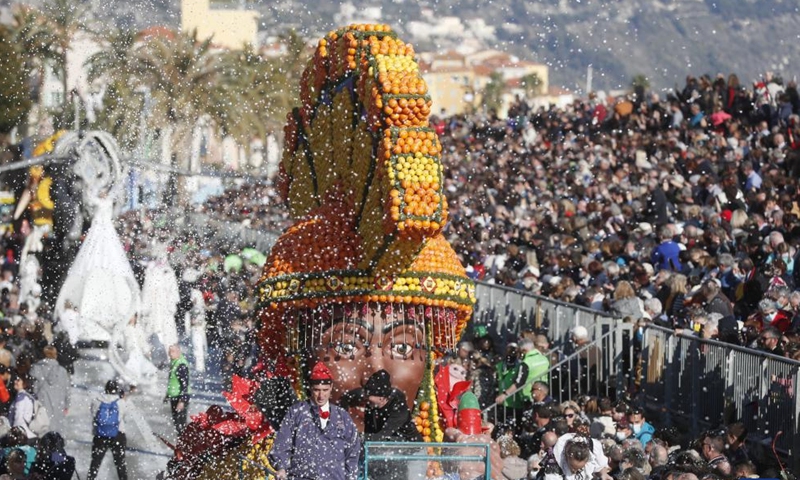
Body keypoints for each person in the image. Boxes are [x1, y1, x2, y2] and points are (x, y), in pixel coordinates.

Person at [54, 190, 141, 344]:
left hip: (103, 231)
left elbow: (92, 199)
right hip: (100, 231)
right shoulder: (105, 202)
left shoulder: (103, 202)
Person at [268, 362, 361, 480]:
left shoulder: (342, 416)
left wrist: (350, 476)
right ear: (311, 388)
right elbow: (282, 445)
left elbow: (353, 450)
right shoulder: (296, 412)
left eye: (325, 390)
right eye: (317, 390)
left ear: (331, 387)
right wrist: (281, 467)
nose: (321, 395)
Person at [362, 369, 421, 480]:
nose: (366, 398)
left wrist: (359, 439)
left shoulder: (399, 408)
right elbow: (369, 432)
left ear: (381, 397)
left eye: (369, 394)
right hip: (389, 452)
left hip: (413, 453)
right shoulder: (371, 407)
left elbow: (382, 435)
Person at [88, 380, 127, 480]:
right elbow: (123, 415)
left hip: (100, 434)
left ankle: (91, 478)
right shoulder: (120, 402)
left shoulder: (97, 400)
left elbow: (93, 414)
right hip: (118, 434)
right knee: (120, 464)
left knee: (95, 463)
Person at [495, 338, 548, 409]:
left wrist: (505, 394)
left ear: (524, 350)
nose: (519, 355)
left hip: (529, 396)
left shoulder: (526, 363)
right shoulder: (544, 359)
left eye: (520, 352)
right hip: (543, 394)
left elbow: (519, 382)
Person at [29, 346, 70, 432]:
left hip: (41, 405)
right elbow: (67, 390)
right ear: (55, 355)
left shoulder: (35, 369)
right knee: (56, 431)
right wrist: (66, 405)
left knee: (41, 429)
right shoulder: (62, 371)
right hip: (58, 405)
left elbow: (34, 389)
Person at [165, 344, 190, 433]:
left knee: (180, 423)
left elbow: (185, 384)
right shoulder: (174, 362)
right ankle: (182, 440)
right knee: (177, 422)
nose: (170, 354)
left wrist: (182, 400)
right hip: (175, 396)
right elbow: (172, 381)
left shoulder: (181, 364)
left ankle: (184, 441)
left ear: (179, 352)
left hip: (179, 397)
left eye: (173, 352)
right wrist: (168, 394)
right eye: (169, 351)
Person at [7, 376, 36, 440]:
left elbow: (18, 416)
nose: (15, 382)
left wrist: (14, 433)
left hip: (21, 435)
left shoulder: (20, 396)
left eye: (18, 380)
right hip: (27, 433)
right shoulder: (28, 396)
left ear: (24, 383)